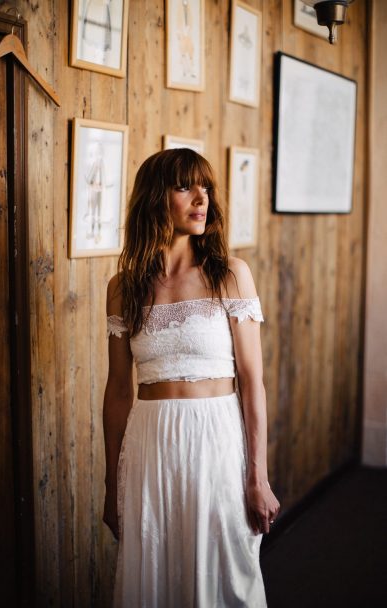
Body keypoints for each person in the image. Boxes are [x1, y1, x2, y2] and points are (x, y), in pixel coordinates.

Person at [103, 148, 280, 607]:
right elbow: (119, 390)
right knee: (156, 572)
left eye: (206, 188)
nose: (202, 198)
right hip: (150, 445)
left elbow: (251, 382)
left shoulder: (229, 275)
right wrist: (110, 484)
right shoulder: (123, 286)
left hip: (216, 441)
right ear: (155, 198)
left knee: (224, 574)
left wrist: (258, 476)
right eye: (186, 187)